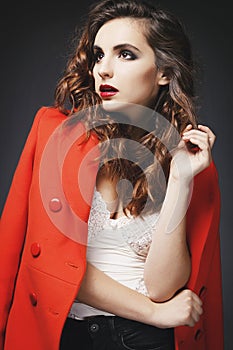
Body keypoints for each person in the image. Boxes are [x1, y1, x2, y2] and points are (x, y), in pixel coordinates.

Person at [0, 0, 223, 349]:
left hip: (147, 342)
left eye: (126, 54)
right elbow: (43, 260)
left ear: (164, 72)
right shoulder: (55, 133)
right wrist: (154, 313)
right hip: (60, 335)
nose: (103, 69)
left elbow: (163, 288)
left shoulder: (193, 163)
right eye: (99, 54)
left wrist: (179, 180)